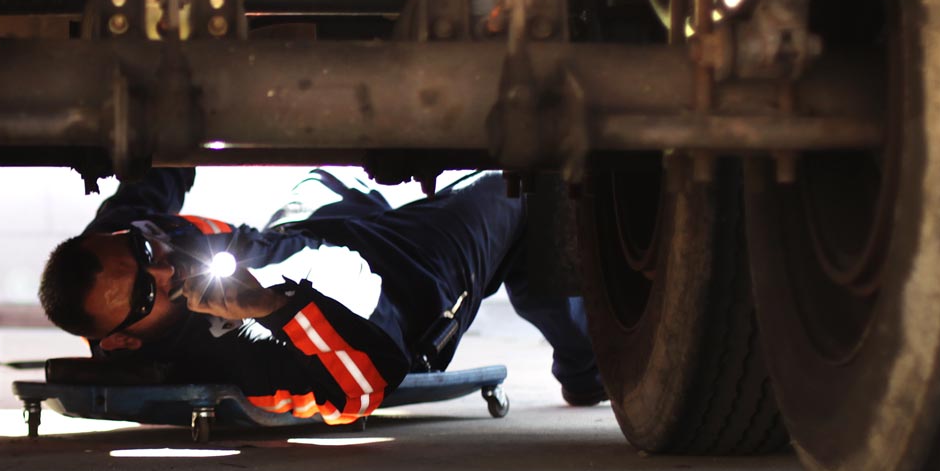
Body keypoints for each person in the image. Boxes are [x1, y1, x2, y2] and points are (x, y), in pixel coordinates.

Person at [36, 167, 603, 425]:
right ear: (123, 337)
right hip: (408, 282)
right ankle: (585, 366)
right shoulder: (226, 360)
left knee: (326, 177)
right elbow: (361, 388)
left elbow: (156, 163)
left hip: (314, 234)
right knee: (520, 184)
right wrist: (270, 308)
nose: (159, 270)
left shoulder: (122, 240)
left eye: (141, 250)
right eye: (143, 296)